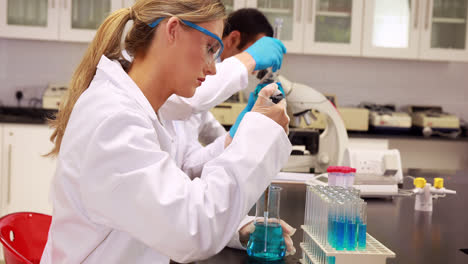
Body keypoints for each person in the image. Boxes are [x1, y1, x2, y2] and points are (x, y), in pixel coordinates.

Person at [40, 1, 291, 264]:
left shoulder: (147, 110)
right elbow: (193, 231)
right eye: (209, 48)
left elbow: (171, 195)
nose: (213, 67)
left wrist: (236, 228)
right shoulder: (114, 120)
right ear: (173, 30)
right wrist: (259, 133)